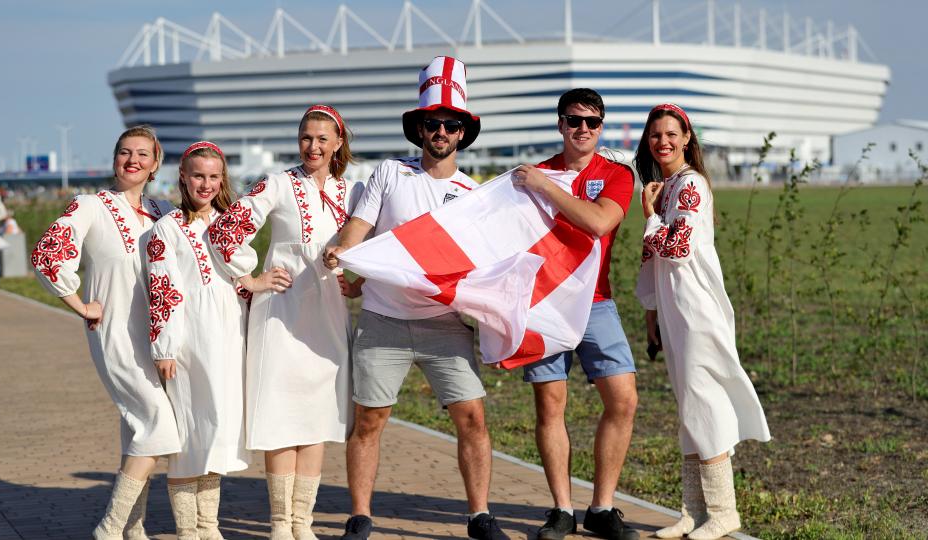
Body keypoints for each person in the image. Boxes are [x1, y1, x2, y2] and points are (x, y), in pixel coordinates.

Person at [323, 56, 509, 540]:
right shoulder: (389, 173)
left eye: (451, 124)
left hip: (445, 324)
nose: (441, 131)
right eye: (433, 123)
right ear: (419, 129)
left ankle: (479, 516)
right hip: (384, 320)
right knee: (370, 419)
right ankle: (360, 516)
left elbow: (486, 263)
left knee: (472, 417)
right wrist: (341, 255)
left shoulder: (474, 194)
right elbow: (359, 231)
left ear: (463, 132)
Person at [208, 105, 362, 540]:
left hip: (327, 315)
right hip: (281, 312)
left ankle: (303, 524)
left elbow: (379, 238)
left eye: (321, 139)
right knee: (279, 415)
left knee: (317, 418)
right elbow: (225, 231)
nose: (313, 146)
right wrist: (250, 278)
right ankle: (279, 525)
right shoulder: (277, 184)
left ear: (337, 144)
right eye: (305, 138)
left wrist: (357, 278)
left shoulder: (351, 192)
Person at [30, 126, 180, 539]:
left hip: (162, 334)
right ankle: (110, 529)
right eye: (125, 152)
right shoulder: (91, 206)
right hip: (115, 331)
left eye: (143, 154)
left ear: (155, 165)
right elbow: (48, 253)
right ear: (115, 158)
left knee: (139, 429)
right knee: (158, 426)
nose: (133, 160)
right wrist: (77, 302)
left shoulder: (164, 210)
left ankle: (134, 529)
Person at [634, 103, 770, 540]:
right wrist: (652, 312)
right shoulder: (664, 186)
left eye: (672, 134)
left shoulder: (690, 185)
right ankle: (693, 511)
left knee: (702, 399)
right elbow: (652, 259)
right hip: (674, 308)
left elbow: (677, 248)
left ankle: (724, 511)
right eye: (656, 135)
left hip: (696, 307)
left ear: (687, 138)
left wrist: (649, 216)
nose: (664, 142)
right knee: (688, 404)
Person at [510, 88, 639, 540]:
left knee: (623, 400)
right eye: (573, 120)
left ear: (601, 126)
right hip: (543, 303)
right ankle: (562, 510)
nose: (582, 128)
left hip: (596, 302)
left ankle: (602, 508)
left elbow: (600, 223)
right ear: (560, 124)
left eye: (592, 121)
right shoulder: (531, 174)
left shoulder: (616, 174)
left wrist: (545, 187)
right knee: (550, 405)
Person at [148, 141, 252, 539]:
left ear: (222, 179)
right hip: (188, 341)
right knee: (189, 433)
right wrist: (165, 347)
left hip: (228, 337)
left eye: (213, 176)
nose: (205, 184)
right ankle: (188, 530)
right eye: (198, 176)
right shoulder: (167, 229)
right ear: (183, 178)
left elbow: (242, 280)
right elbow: (164, 288)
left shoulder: (229, 222)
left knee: (219, 430)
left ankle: (210, 527)